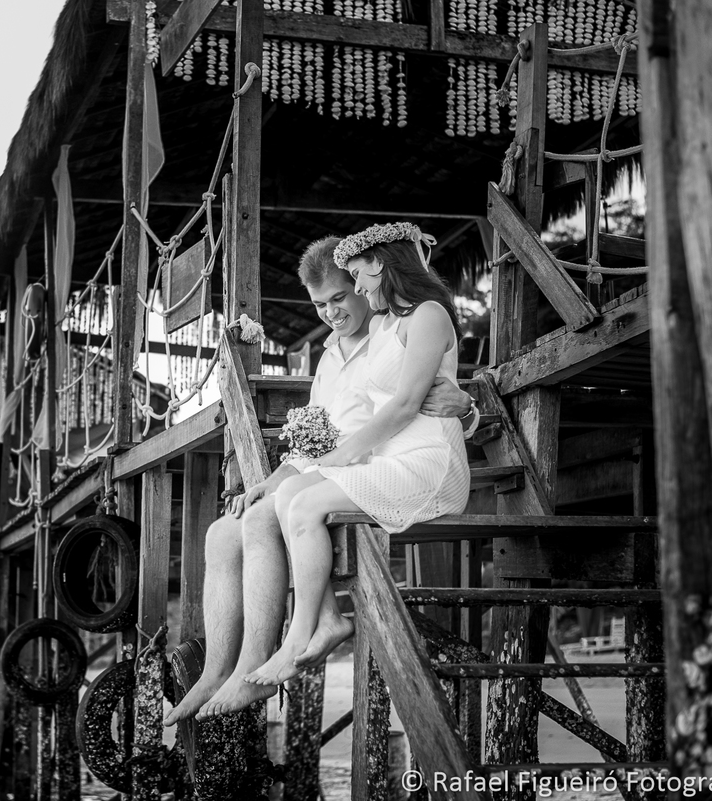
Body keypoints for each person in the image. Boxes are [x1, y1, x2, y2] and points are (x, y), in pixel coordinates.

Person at [163, 233, 477, 725]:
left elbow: (426, 396)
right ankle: (216, 669)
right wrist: (276, 475)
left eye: (341, 295)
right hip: (346, 465)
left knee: (268, 517)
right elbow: (318, 436)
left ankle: (255, 667)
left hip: (379, 463)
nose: (332, 312)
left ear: (363, 281)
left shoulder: (393, 326)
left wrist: (469, 407)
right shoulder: (329, 355)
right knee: (223, 532)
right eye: (320, 304)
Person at [243, 222, 472, 688]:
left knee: (304, 504)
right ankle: (321, 622)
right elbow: (360, 403)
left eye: (360, 278)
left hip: (427, 460)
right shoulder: (388, 323)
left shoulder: (429, 314)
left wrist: (344, 454)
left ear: (382, 266)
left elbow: (408, 403)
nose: (361, 289)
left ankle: (299, 636)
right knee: (288, 494)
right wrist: (314, 457)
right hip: (390, 456)